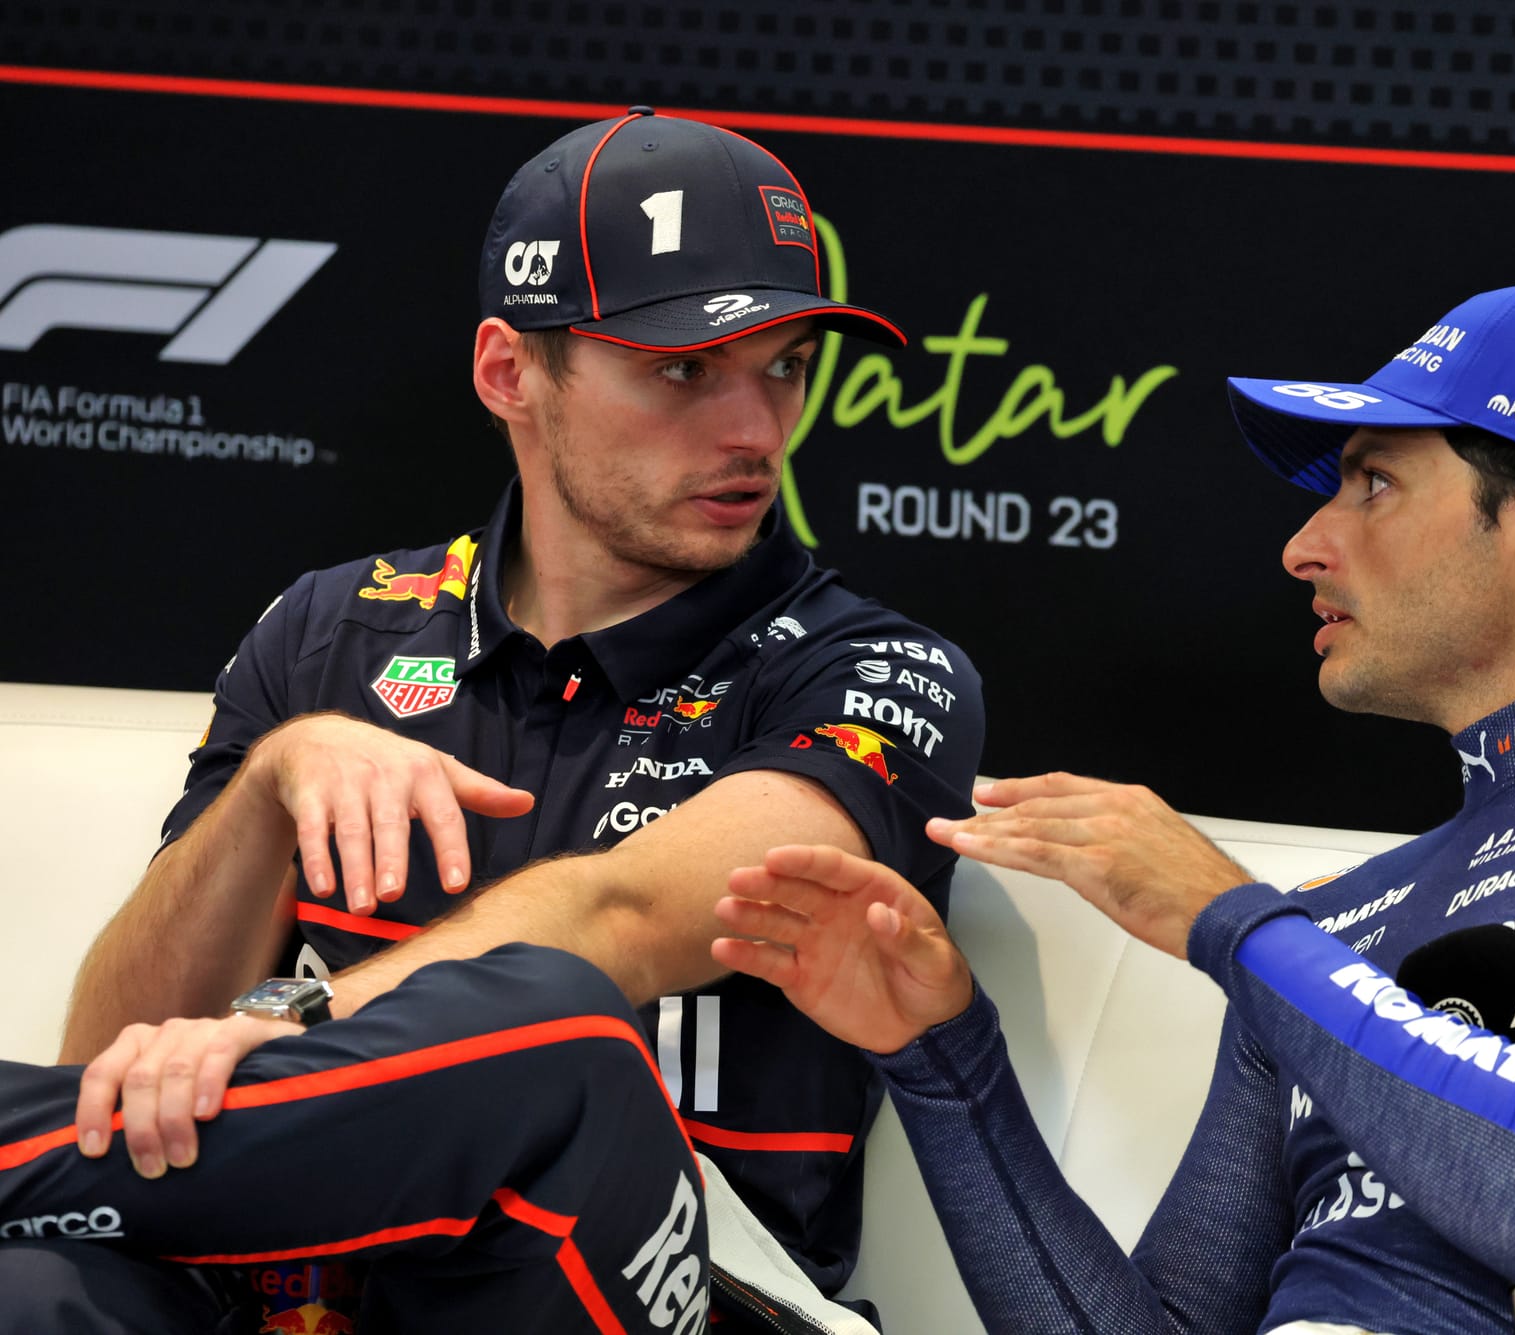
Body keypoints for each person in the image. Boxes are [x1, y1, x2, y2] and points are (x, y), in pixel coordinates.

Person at [714, 284, 1515, 1332]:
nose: (1302, 546)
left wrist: (1231, 926)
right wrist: (938, 1053)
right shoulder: (1331, 928)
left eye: (1372, 485)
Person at [2, 108, 981, 1327]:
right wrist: (270, 786)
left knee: (563, 1025)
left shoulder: (872, 669)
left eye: (782, 368)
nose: (755, 431)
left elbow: (614, 920)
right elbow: (116, 1057)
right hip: (292, 1287)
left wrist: (284, 1034)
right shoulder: (329, 631)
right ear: (510, 373)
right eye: (683, 371)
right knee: (36, 1282)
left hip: (681, 1290)